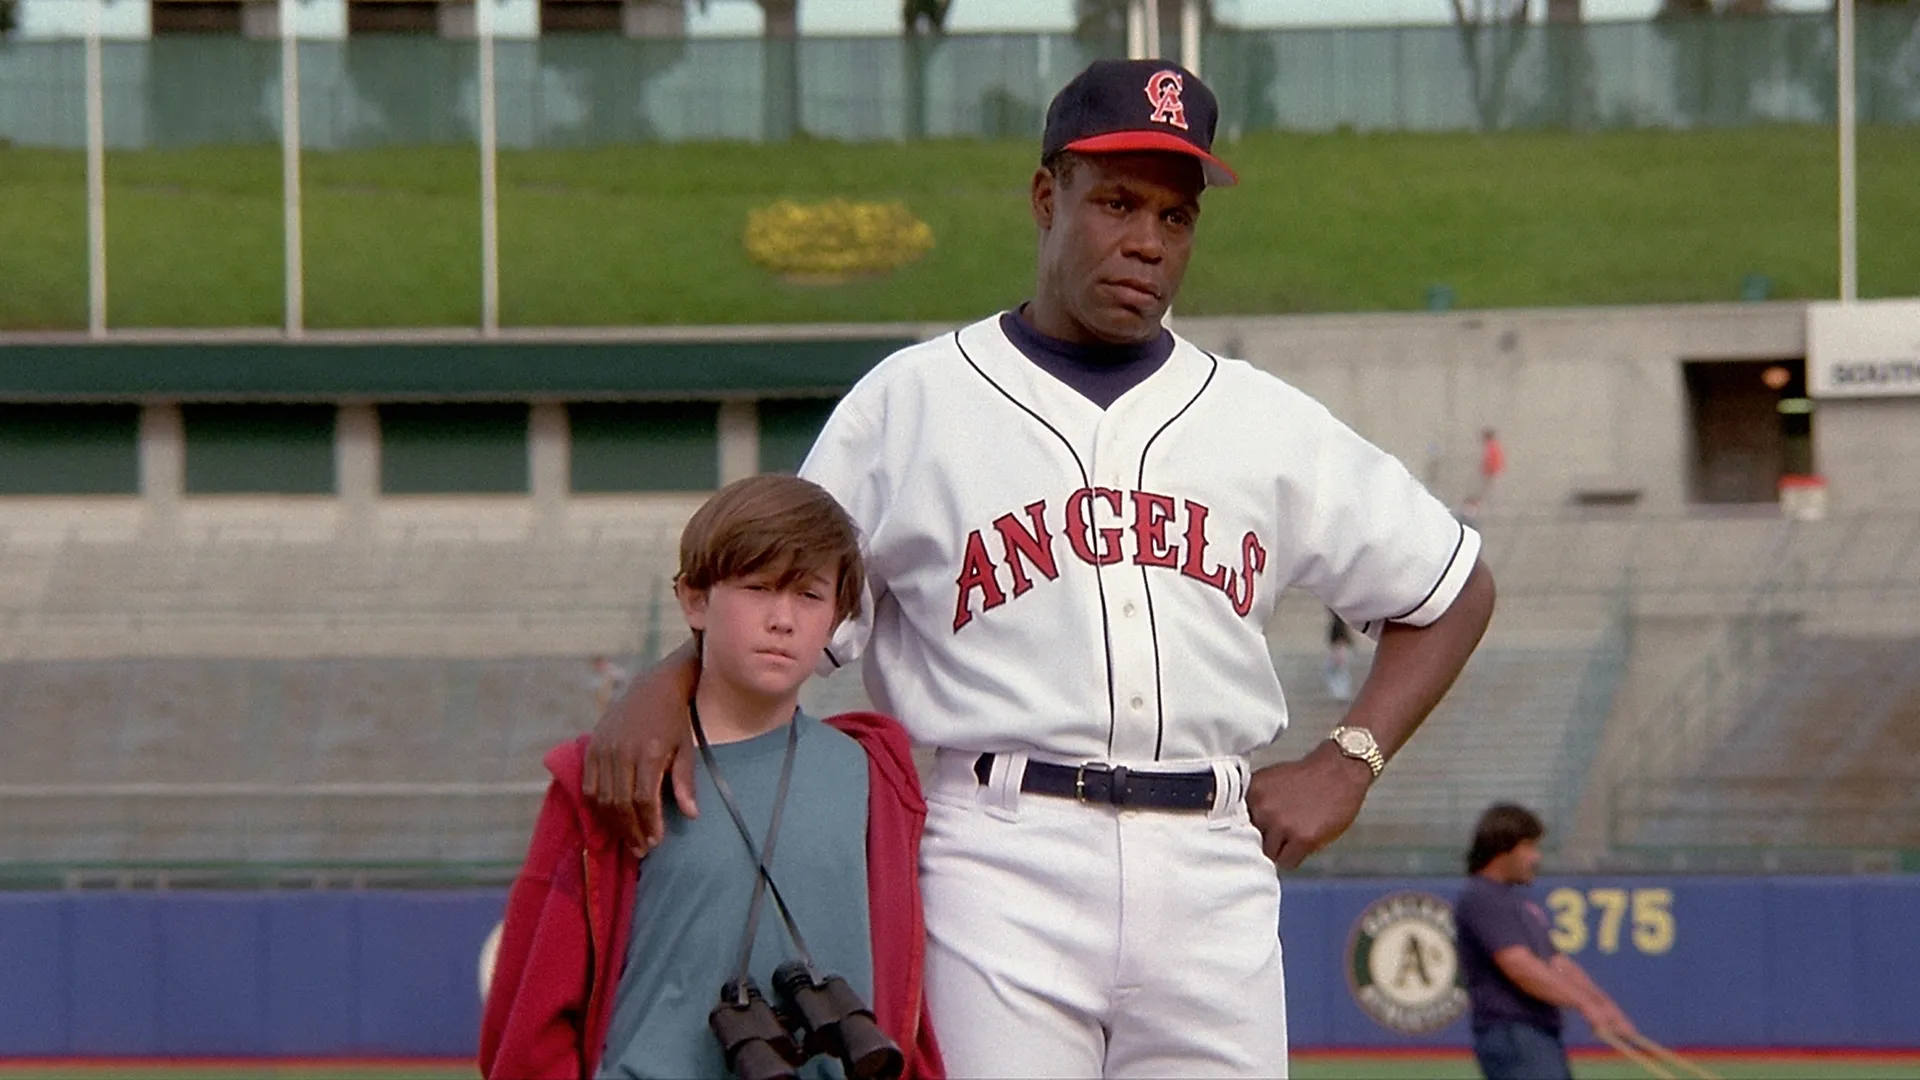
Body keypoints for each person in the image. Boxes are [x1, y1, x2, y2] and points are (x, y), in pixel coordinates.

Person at [585, 58, 1496, 1078]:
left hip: (1212, 861)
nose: (1146, 240)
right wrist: (669, 683)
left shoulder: (1264, 421)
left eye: (1175, 216)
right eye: (1115, 202)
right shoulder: (913, 403)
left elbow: (1453, 587)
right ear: (1044, 195)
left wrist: (1349, 760)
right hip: (996, 849)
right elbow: (781, 594)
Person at [480, 474, 942, 1080]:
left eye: (809, 596)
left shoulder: (873, 777)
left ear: (835, 621)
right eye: (758, 588)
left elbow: (909, 1004)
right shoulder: (614, 776)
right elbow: (532, 1019)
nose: (783, 619)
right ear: (694, 600)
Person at [1455, 803, 1636, 1080]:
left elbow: (1557, 963)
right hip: (1512, 1033)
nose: (1535, 857)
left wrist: (1602, 1004)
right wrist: (1584, 1005)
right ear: (1503, 848)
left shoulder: (1516, 902)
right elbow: (1520, 966)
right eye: (1528, 847)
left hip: (1535, 1034)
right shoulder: (1481, 898)